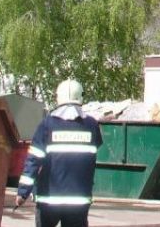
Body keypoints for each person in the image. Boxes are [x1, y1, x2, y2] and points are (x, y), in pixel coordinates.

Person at [15, 79, 103, 227]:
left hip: (48, 200)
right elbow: (97, 146)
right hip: (79, 201)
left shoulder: (47, 125)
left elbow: (33, 161)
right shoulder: (91, 125)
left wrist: (22, 193)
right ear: (80, 96)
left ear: (58, 97)